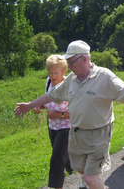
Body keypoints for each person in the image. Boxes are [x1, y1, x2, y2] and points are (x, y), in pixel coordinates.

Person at [14, 40, 124, 189]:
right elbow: (52, 94)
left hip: (99, 134)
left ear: (84, 59)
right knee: (80, 169)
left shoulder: (104, 76)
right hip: (76, 134)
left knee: (90, 178)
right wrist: (30, 105)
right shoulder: (71, 79)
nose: (69, 66)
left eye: (71, 62)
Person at [32, 55, 86, 189]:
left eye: (56, 73)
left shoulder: (71, 86)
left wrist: (60, 115)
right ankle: (86, 175)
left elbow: (80, 112)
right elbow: (48, 100)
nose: (53, 76)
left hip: (68, 127)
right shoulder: (48, 82)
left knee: (56, 159)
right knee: (67, 160)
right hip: (52, 127)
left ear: (64, 72)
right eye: (50, 73)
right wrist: (39, 106)